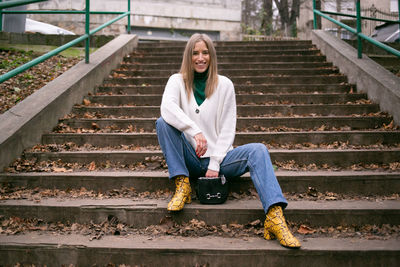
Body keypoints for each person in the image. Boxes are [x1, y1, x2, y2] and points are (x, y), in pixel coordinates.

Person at [155, 33, 301, 249]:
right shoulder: (176, 81)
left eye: (205, 52)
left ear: (212, 56)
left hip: (220, 160)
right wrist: (194, 131)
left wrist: (215, 163)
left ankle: (274, 217)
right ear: (189, 56)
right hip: (191, 159)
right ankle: (182, 185)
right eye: (195, 53)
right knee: (162, 122)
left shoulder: (225, 85)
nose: (200, 58)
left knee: (258, 150)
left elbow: (227, 128)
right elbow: (167, 108)